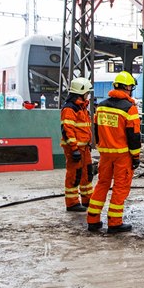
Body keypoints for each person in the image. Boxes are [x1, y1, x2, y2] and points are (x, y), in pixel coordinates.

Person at [86, 71, 141, 233]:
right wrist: (136, 156)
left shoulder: (101, 106)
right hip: (122, 154)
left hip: (105, 154)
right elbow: (134, 136)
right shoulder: (129, 109)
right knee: (120, 187)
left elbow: (96, 130)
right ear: (127, 87)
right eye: (130, 87)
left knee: (102, 185)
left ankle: (93, 220)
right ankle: (115, 222)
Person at [60, 77, 94, 212]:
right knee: (74, 175)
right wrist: (74, 149)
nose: (88, 94)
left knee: (87, 173)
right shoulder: (70, 108)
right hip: (75, 148)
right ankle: (72, 203)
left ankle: (87, 199)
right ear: (81, 92)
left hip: (83, 147)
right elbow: (68, 130)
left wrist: (87, 143)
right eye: (87, 92)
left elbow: (83, 128)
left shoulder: (81, 106)